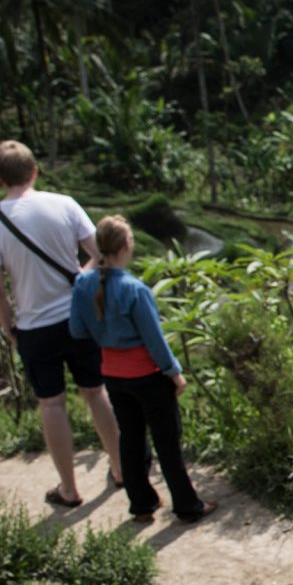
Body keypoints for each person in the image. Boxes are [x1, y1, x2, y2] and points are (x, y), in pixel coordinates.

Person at [0, 140, 122, 507]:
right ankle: (121, 469)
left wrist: (10, 327)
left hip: (34, 327)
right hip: (77, 317)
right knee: (96, 392)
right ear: (34, 171)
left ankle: (70, 489)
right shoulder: (63, 204)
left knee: (52, 405)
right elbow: (100, 255)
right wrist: (79, 278)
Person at [67, 217, 212, 524]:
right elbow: (154, 341)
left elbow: (77, 330)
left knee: (130, 440)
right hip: (148, 376)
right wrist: (174, 372)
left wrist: (106, 334)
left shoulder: (83, 284)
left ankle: (141, 506)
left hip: (113, 375)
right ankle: (187, 506)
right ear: (127, 245)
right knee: (166, 442)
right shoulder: (135, 290)